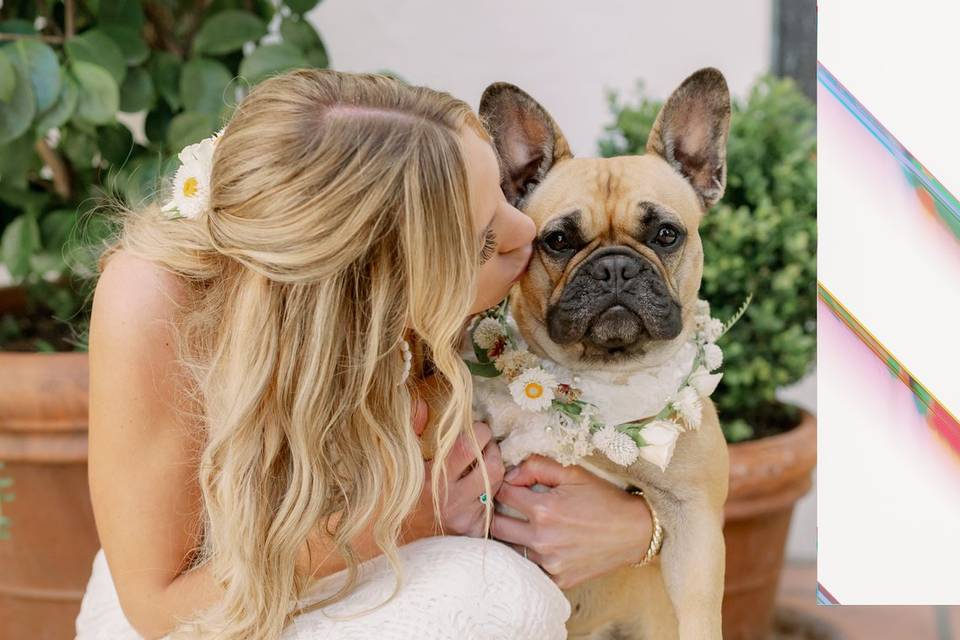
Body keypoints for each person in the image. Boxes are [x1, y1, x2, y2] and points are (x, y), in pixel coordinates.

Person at [75, 68, 655, 639]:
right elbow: (157, 609)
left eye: (503, 194)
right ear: (373, 291)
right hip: (224, 605)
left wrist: (640, 527)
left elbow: (664, 454)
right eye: (483, 240)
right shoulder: (155, 298)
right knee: (497, 598)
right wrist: (407, 518)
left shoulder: (528, 260)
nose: (525, 231)